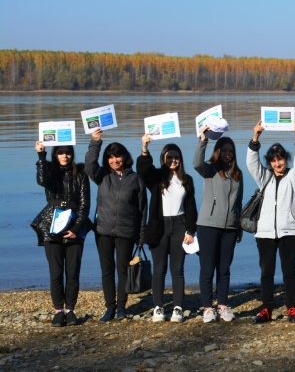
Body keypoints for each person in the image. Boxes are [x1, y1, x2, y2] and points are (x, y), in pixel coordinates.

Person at [246, 120, 295, 324]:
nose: (277, 163)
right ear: (270, 162)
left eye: (280, 159)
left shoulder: (293, 176)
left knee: (289, 271)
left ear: (285, 159)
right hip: (264, 233)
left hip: (289, 231)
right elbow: (251, 163)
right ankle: (266, 309)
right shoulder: (264, 178)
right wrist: (256, 138)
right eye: (273, 160)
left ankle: (291, 308)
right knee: (266, 272)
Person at [85, 129, 147, 322]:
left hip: (126, 232)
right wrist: (95, 142)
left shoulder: (135, 179)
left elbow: (142, 209)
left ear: (124, 157)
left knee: (123, 270)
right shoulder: (102, 176)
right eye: (110, 158)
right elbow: (89, 166)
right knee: (107, 270)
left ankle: (121, 307)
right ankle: (109, 308)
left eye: (117, 156)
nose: (114, 160)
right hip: (103, 231)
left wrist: (141, 236)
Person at [138, 136, 197, 323]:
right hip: (159, 225)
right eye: (169, 157)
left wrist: (190, 230)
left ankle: (178, 306)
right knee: (159, 269)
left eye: (176, 157)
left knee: (177, 269)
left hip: (180, 225)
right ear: (163, 157)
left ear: (180, 159)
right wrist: (145, 147)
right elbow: (143, 170)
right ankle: (158, 307)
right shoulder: (157, 177)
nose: (173, 160)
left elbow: (191, 206)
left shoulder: (186, 180)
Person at [33, 142, 91, 327]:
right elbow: (41, 181)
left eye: (68, 153)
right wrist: (41, 156)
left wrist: (75, 228)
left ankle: (70, 310)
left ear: (72, 154)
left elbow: (85, 205)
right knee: (56, 272)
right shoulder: (49, 172)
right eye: (60, 153)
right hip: (52, 225)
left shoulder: (81, 175)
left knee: (73, 272)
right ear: (55, 154)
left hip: (75, 225)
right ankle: (59, 311)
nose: (65, 156)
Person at [194, 128, 244, 323]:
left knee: (224, 268)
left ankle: (222, 304)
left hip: (230, 228)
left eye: (230, 151)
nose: (227, 154)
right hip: (208, 225)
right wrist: (203, 141)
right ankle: (207, 307)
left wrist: (238, 226)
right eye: (224, 150)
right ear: (218, 151)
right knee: (207, 267)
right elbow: (196, 163)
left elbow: (238, 202)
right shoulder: (210, 168)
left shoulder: (237, 173)